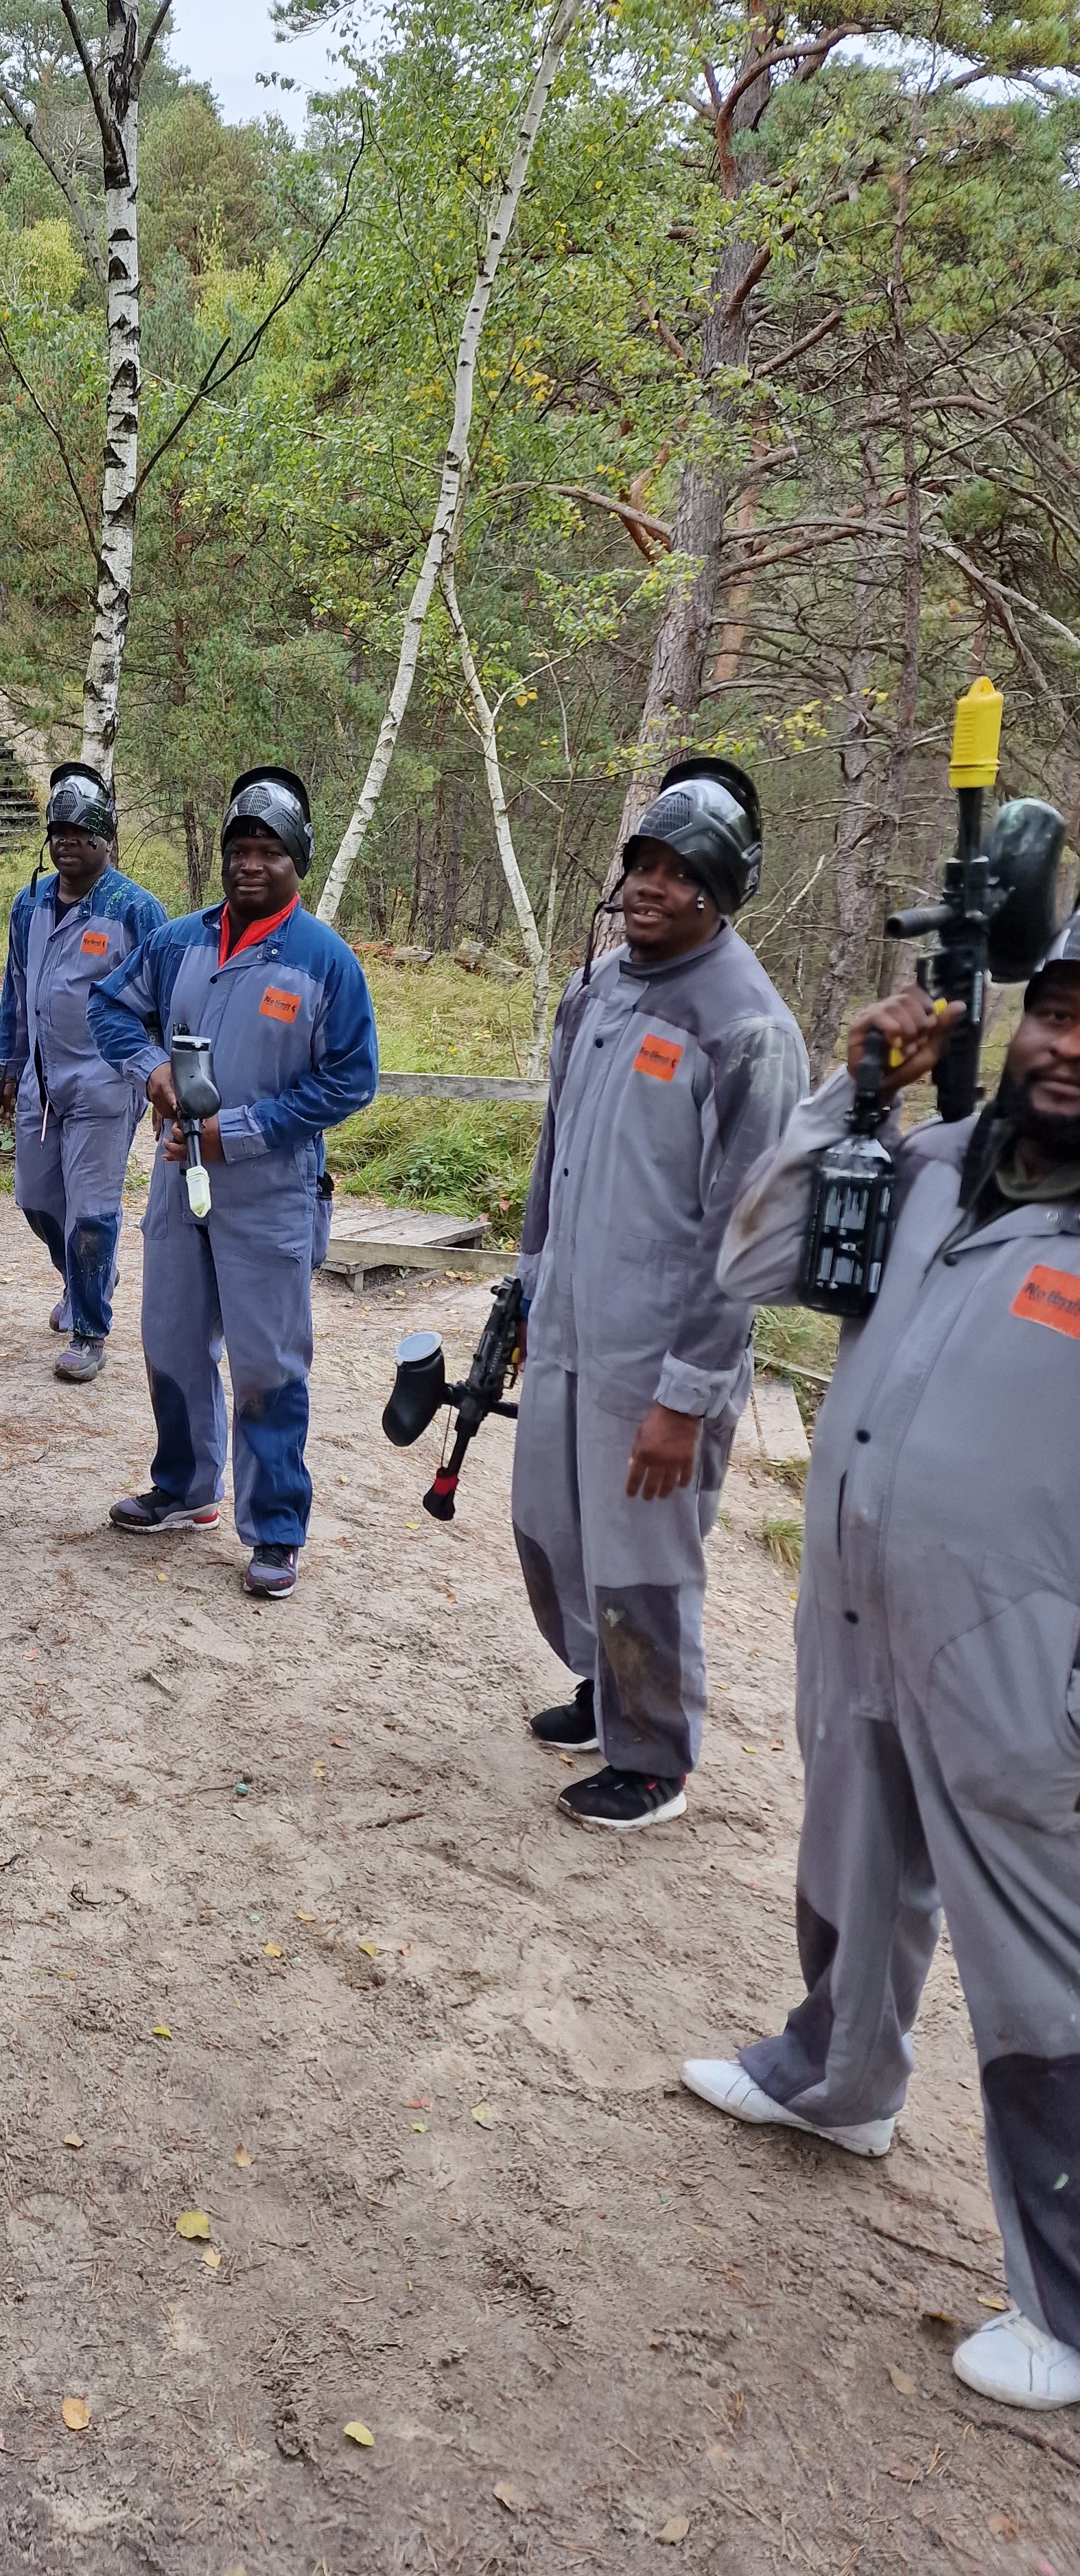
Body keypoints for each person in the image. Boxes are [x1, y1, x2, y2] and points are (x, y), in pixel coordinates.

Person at [684, 919, 1080, 2411]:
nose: (1070, 1048)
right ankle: (841, 2082)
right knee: (851, 1859)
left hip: (1024, 1667)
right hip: (860, 1610)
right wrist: (850, 1097)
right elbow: (755, 1260)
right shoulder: (935, 1165)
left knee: (1041, 1972)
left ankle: (1068, 2300)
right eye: (1059, 1011)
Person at [510, 760, 806, 1831]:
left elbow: (749, 1233)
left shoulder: (748, 1027)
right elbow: (555, 1155)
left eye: (682, 873)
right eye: (644, 862)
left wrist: (687, 1396)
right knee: (550, 1524)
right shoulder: (595, 991)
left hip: (660, 1354)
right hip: (567, 1323)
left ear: (720, 893)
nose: (651, 885)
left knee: (642, 1558)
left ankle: (653, 1758)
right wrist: (529, 1287)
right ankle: (609, 1687)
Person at [87, 766, 378, 1599]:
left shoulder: (325, 962)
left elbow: (350, 1079)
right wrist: (151, 1071)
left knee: (266, 1364)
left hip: (271, 1194)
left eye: (269, 851)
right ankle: (185, 1485)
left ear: (298, 861)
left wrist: (238, 1131)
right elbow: (110, 1007)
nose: (250, 864)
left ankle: (276, 1528)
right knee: (172, 1340)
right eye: (238, 849)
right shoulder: (178, 941)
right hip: (178, 1181)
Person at [0, 763, 167, 1382]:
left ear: (105, 837)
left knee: (91, 1210)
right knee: (37, 1200)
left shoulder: (136, 910)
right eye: (58, 832)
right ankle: (84, 1276)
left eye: (80, 832)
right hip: (42, 1080)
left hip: (106, 1083)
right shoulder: (29, 904)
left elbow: (165, 1003)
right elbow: (16, 993)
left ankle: (90, 1328)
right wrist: (5, 1069)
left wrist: (160, 1081)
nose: (67, 842)